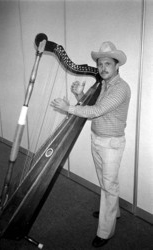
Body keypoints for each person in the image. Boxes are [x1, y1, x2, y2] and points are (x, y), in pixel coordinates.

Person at [51, 41, 131, 248]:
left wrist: (69, 107)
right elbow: (96, 108)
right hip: (97, 138)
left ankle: (105, 232)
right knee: (106, 183)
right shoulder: (103, 85)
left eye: (108, 64)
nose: (103, 68)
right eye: (100, 64)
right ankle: (114, 213)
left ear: (117, 66)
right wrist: (79, 96)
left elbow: (96, 111)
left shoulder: (121, 88)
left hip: (111, 143)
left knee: (109, 184)